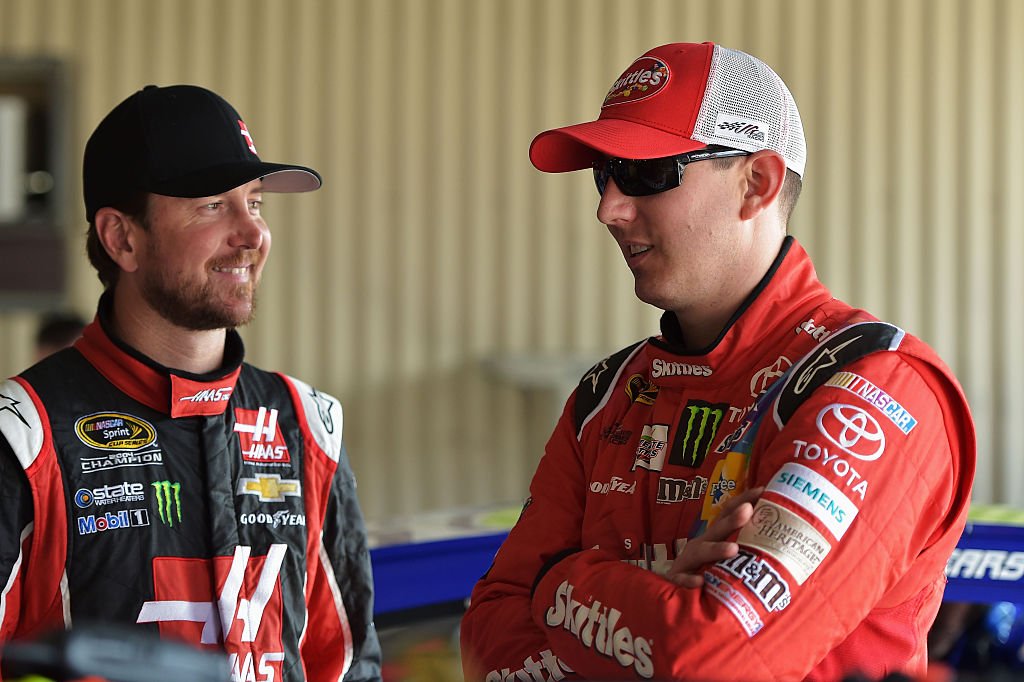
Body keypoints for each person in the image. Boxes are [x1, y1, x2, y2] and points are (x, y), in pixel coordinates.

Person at [460, 42, 975, 681]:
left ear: (756, 182)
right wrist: (649, 603)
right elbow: (488, 633)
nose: (609, 209)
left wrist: (561, 582)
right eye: (604, 176)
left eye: (648, 174)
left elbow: (716, 660)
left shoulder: (872, 384)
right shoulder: (607, 394)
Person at [0, 84, 381, 681]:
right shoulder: (22, 435)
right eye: (211, 205)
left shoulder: (308, 423)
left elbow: (347, 664)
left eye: (254, 203)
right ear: (122, 238)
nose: (252, 235)